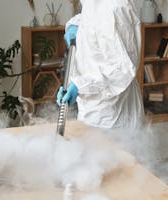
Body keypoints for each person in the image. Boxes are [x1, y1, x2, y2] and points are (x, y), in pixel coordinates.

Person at [57, 0, 144, 129]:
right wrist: (75, 25)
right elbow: (95, 18)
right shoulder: (91, 2)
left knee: (115, 149)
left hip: (114, 117)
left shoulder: (117, 8)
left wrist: (80, 85)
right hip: (89, 110)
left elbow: (122, 70)